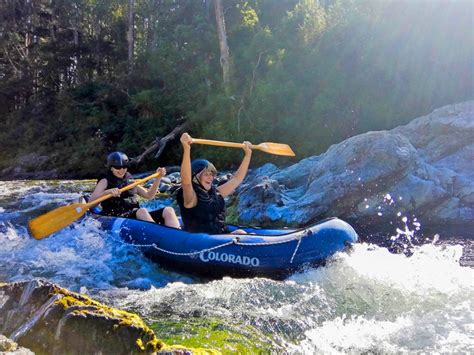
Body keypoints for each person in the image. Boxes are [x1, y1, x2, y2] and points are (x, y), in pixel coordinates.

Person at [176, 132, 252, 234]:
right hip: (199, 241)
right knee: (241, 233)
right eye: (206, 174)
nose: (210, 178)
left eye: (212, 174)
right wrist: (186, 148)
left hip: (220, 237)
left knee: (241, 233)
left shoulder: (216, 193)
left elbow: (237, 179)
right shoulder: (191, 197)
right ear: (195, 177)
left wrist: (247, 155)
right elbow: (186, 182)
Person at [90, 151, 180, 228]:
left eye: (124, 167)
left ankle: (178, 235)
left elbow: (149, 196)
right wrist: (106, 192)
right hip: (118, 217)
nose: (122, 170)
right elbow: (91, 204)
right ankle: (157, 233)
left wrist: (158, 178)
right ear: (111, 168)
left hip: (134, 215)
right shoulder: (105, 181)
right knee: (142, 211)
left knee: (168, 210)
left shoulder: (129, 179)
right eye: (118, 167)